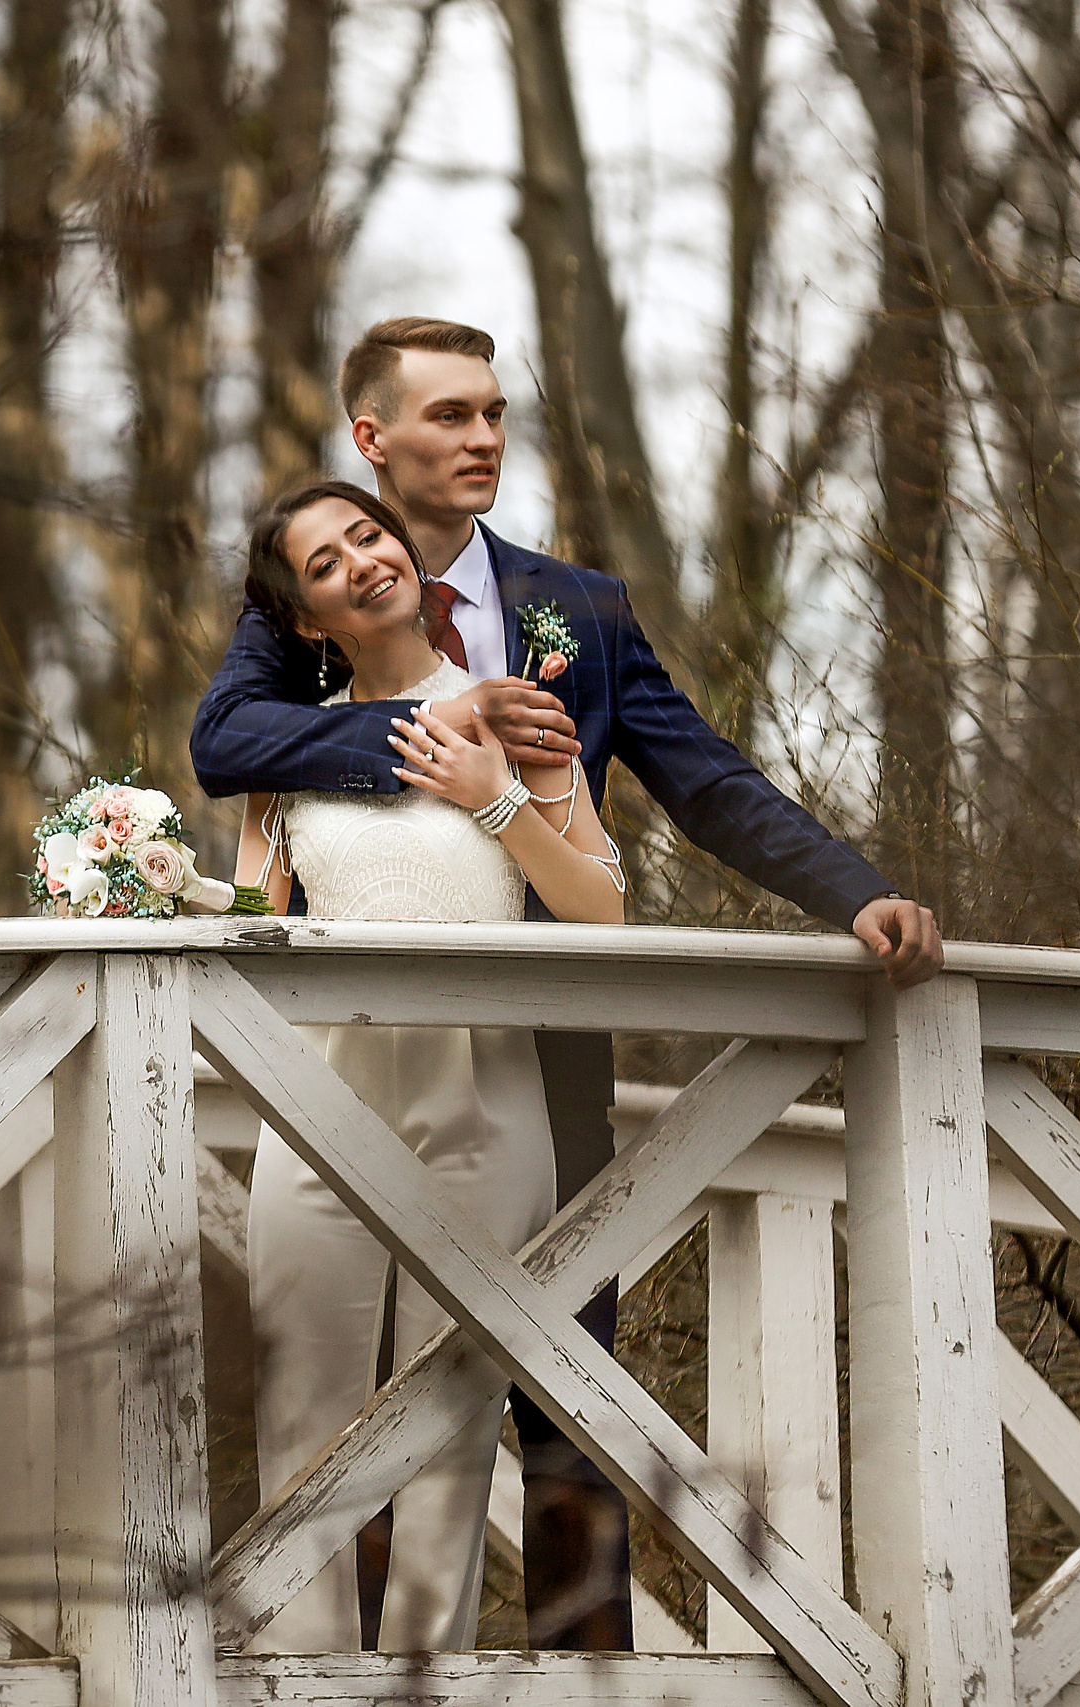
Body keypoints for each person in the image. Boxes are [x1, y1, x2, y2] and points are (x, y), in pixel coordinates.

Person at [191, 316, 944, 1649]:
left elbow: (703, 778)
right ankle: (320, 1672)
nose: (484, 437)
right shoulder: (300, 622)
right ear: (373, 440)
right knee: (322, 1392)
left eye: (494, 411)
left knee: (560, 1399)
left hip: (538, 1069)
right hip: (335, 1080)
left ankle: (566, 1678)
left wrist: (856, 889)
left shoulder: (574, 610)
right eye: (449, 416)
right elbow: (231, 748)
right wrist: (442, 723)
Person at [230, 477, 625, 1654]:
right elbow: (257, 921)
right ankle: (300, 1682)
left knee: (448, 1428)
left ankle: (423, 1678)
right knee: (301, 1421)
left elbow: (602, 914)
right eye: (323, 563)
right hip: (314, 1111)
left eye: (367, 535)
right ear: (307, 619)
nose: (359, 560)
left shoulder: (517, 715)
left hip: (487, 1111)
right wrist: (136, 885)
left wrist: (496, 799)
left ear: (402, 552)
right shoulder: (285, 753)